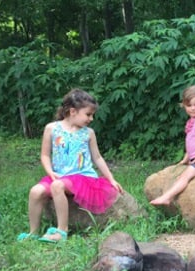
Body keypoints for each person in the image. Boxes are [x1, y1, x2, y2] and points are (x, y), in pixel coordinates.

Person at [17, 89, 123, 243]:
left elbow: (98, 158)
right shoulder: (52, 129)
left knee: (57, 186)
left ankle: (62, 231)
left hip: (83, 178)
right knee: (35, 191)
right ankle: (33, 232)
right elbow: (45, 155)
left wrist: (111, 179)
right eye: (88, 114)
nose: (91, 118)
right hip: (60, 175)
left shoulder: (88, 133)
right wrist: (50, 172)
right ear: (73, 111)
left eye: (92, 114)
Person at [150, 85, 195, 206]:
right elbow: (191, 143)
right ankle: (168, 196)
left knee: (184, 177)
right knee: (182, 174)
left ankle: (167, 197)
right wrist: (186, 158)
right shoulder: (192, 121)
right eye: (189, 105)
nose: (193, 108)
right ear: (183, 105)